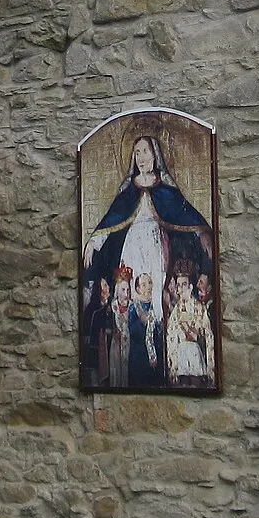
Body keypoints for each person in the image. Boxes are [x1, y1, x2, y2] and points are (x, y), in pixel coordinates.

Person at [81, 131, 214, 389]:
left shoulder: (166, 191)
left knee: (155, 301)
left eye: (146, 151)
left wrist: (203, 233)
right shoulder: (128, 193)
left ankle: (163, 368)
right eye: (137, 152)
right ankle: (132, 366)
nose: (141, 157)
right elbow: (111, 219)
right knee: (130, 299)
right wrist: (94, 242)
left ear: (155, 155)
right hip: (132, 247)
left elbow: (185, 213)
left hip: (155, 247)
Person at [164, 256, 214, 388]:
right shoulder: (176, 311)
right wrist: (172, 365)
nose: (181, 289)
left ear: (190, 286)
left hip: (194, 351)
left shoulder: (199, 307)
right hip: (180, 354)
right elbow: (171, 336)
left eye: (184, 284)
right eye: (179, 285)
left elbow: (208, 335)